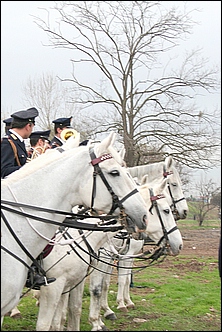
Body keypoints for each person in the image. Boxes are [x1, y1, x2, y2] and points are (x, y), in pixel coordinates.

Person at [1, 107, 55, 289]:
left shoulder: (17, 143)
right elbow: (5, 171)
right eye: (32, 127)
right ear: (28, 126)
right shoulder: (7, 143)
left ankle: (32, 271)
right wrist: (32, 168)